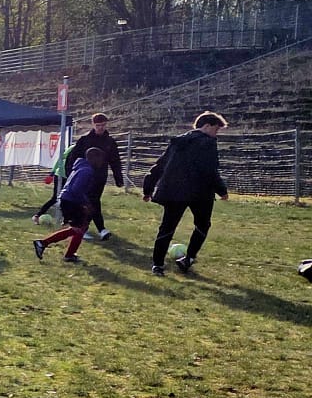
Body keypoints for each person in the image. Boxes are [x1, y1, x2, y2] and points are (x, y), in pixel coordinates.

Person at [142, 111, 229, 276]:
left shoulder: (178, 141)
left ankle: (157, 265)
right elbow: (210, 170)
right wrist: (222, 190)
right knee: (202, 225)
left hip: (174, 192)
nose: (216, 134)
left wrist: (148, 188)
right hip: (200, 193)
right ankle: (188, 259)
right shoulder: (208, 143)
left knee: (167, 227)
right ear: (207, 126)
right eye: (216, 129)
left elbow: (160, 165)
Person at [35, 113, 125, 236]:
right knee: (85, 203)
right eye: (98, 125)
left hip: (100, 177)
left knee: (94, 201)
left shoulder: (110, 142)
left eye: (103, 125)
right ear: (93, 125)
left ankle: (92, 229)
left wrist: (118, 178)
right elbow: (72, 158)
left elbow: (115, 161)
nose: (101, 128)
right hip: (84, 176)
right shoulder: (85, 140)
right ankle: (91, 228)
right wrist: (71, 174)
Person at [33, 147, 108, 264]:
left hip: (68, 199)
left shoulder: (82, 167)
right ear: (93, 158)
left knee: (81, 227)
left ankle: (68, 254)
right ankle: (43, 244)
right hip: (71, 201)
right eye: (100, 159)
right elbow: (76, 189)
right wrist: (86, 204)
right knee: (79, 229)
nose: (102, 162)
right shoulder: (86, 171)